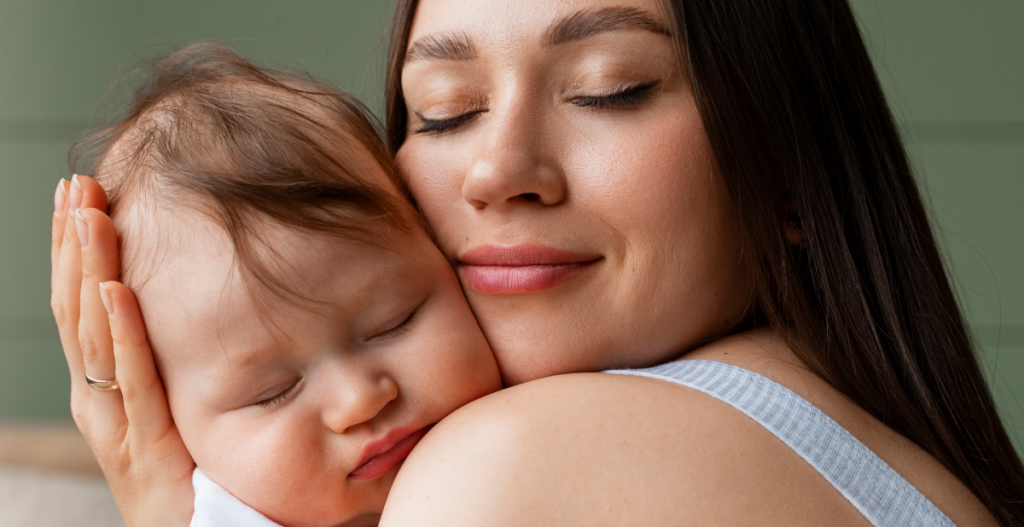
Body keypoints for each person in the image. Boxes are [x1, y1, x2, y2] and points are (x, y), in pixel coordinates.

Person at [50, 0, 1024, 526]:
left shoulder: (509, 468)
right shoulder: (869, 440)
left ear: (786, 156)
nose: (498, 170)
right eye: (442, 109)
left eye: (611, 88)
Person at [62, 43, 501, 526]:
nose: (358, 400)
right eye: (272, 391)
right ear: (169, 425)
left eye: (393, 323)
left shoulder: (545, 429)